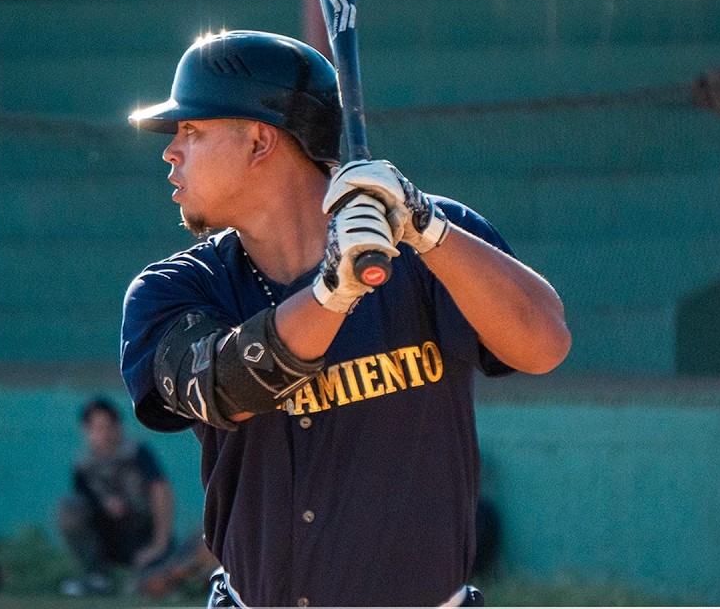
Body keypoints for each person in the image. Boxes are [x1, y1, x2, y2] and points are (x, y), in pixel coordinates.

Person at [119, 30, 571, 607]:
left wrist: (429, 230)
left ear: (260, 140)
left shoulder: (431, 241)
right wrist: (333, 293)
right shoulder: (175, 289)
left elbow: (545, 345)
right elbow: (220, 386)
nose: (170, 152)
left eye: (192, 131)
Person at [57, 396, 176, 597]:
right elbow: (82, 504)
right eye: (95, 428)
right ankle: (98, 577)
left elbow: (161, 491)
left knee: (151, 586)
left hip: (141, 533)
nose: (102, 434)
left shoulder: (136, 452)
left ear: (117, 426)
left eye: (107, 426)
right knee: (69, 509)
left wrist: (158, 544)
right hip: (109, 536)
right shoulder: (83, 464)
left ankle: (152, 575)